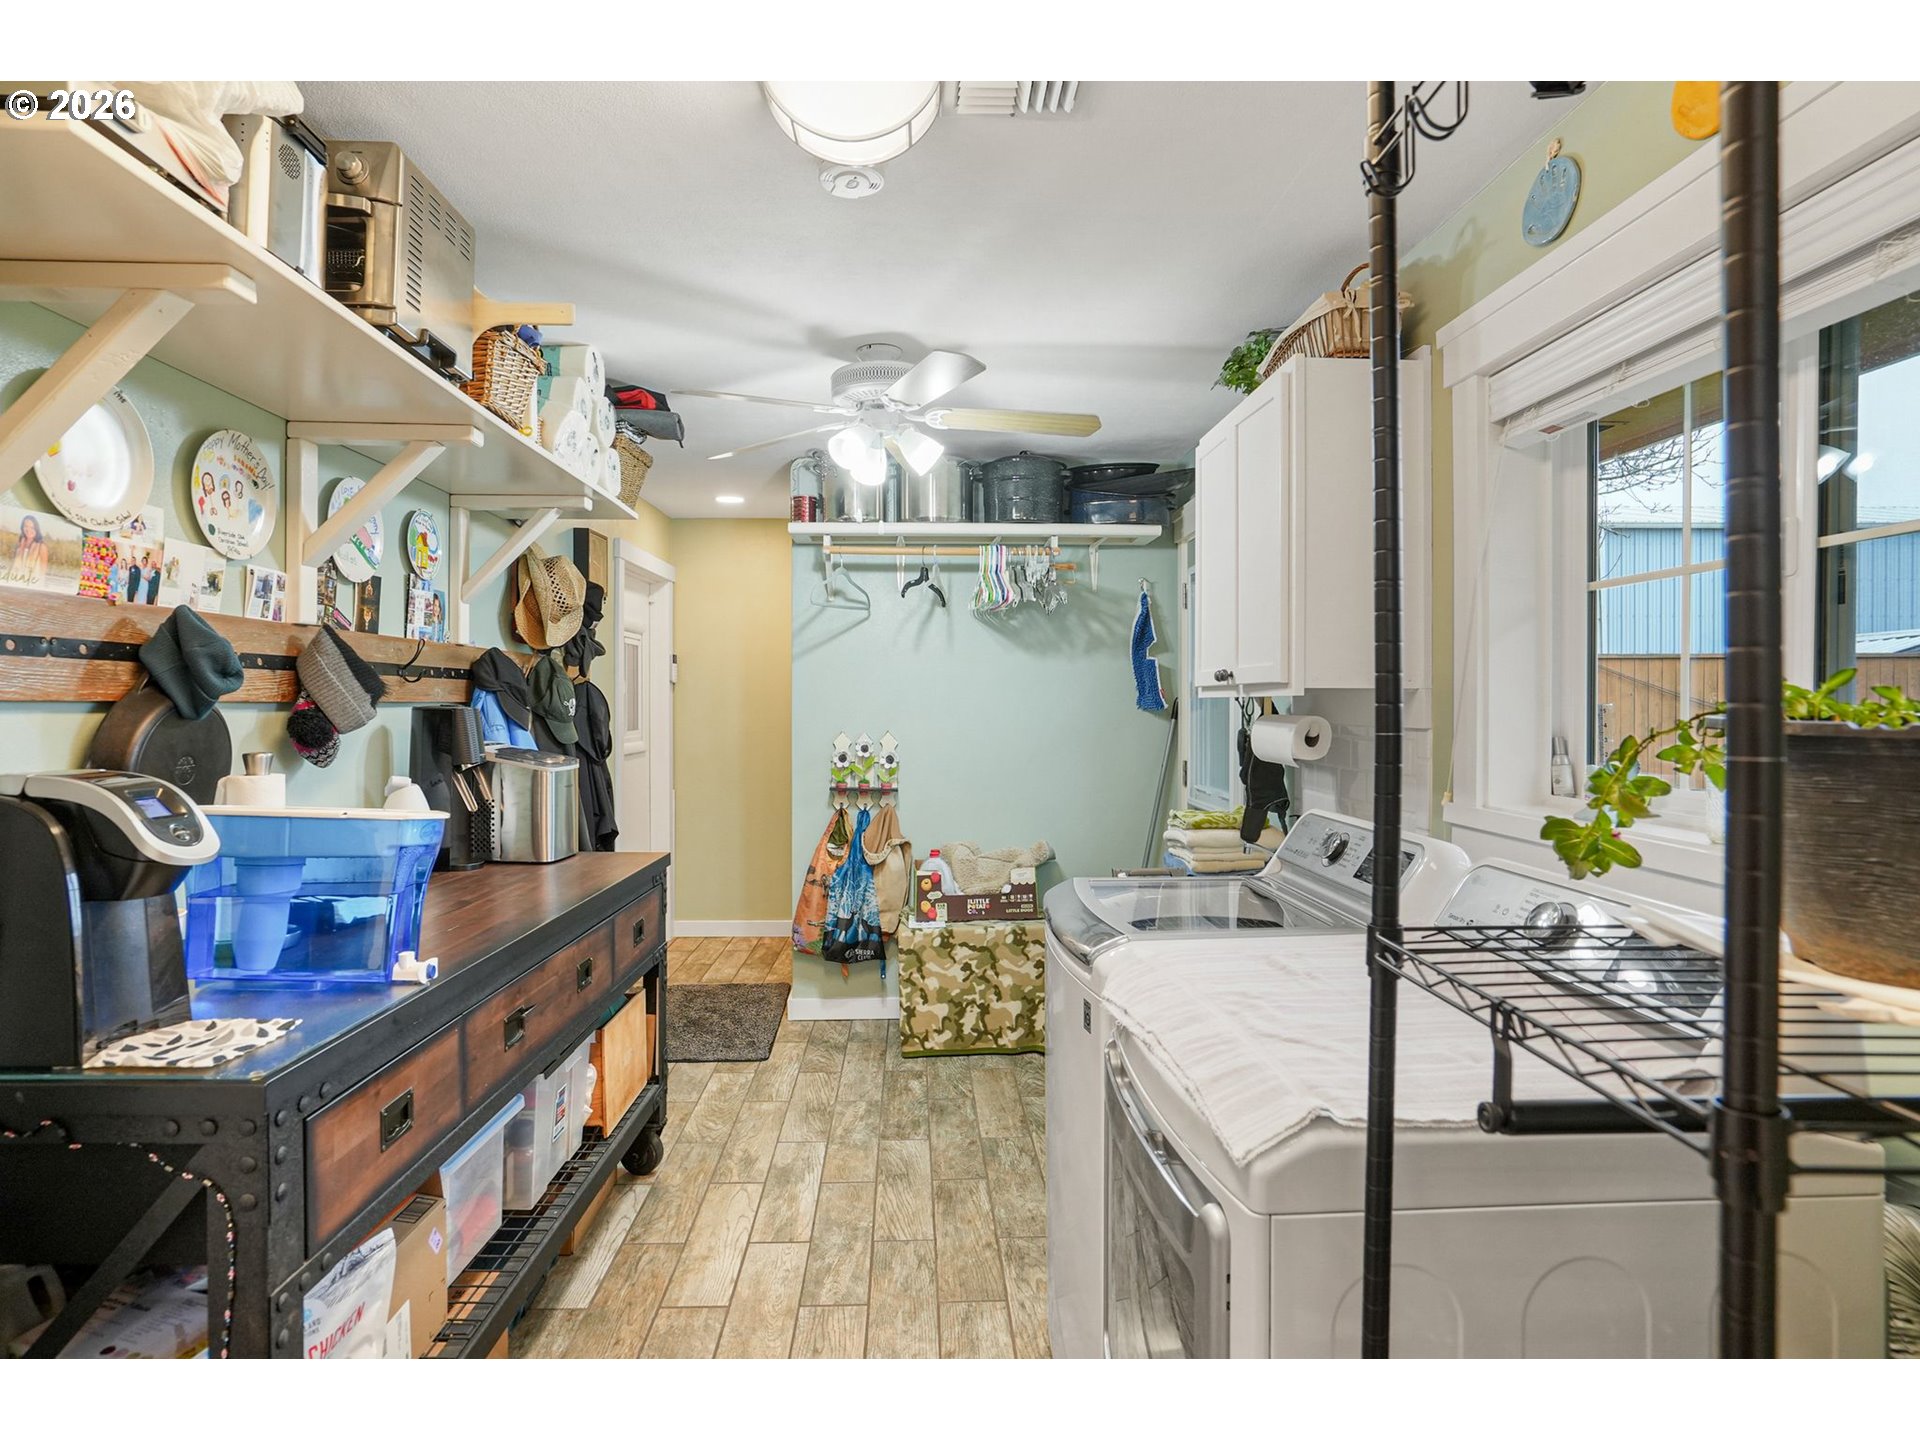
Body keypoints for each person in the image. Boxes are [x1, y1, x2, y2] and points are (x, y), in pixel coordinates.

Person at [4, 514, 50, 586]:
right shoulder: (19, 545)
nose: (28, 530)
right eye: (26, 526)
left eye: (32, 527)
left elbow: (43, 573)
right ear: (22, 527)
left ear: (36, 529)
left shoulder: (42, 546)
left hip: (33, 585)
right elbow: (13, 566)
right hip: (16, 582)